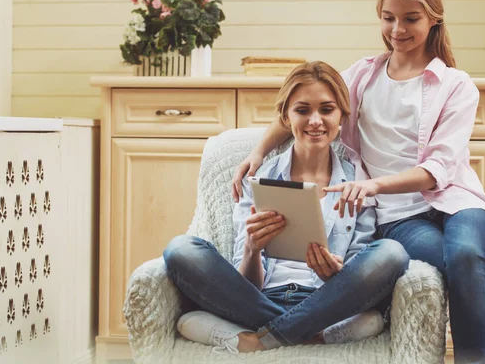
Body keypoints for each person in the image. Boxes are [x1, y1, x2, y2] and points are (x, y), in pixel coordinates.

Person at [231, 0, 485, 363]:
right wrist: (258, 153)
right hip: (400, 217)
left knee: (465, 257)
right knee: (474, 271)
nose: (397, 29)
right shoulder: (361, 76)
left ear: (434, 19)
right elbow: (302, 102)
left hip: (457, 202)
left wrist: (373, 185)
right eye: (388, 17)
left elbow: (438, 169)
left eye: (411, 19)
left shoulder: (456, 85)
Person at [163, 61, 409, 354]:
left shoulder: (358, 183)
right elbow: (246, 284)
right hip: (259, 300)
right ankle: (308, 333)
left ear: (342, 116)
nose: (315, 121)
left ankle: (258, 339)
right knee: (181, 249)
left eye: (326, 110)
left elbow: (354, 285)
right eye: (302, 110)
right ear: (285, 117)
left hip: (325, 301)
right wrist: (253, 249)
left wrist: (334, 275)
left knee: (392, 253)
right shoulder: (259, 180)